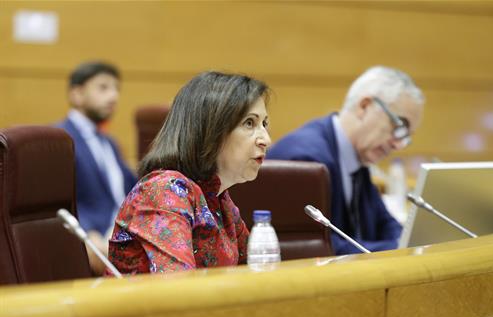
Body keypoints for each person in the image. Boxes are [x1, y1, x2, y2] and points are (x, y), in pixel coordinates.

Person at [107, 71, 271, 274]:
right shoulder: (164, 191)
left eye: (264, 124)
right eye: (249, 123)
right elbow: (181, 292)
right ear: (210, 129)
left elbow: (258, 275)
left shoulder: (218, 198)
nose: (265, 139)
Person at [267, 66, 425, 255]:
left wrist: (409, 244)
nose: (398, 145)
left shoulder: (358, 156)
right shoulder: (305, 161)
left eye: (406, 137)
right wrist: (401, 250)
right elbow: (317, 247)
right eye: (399, 128)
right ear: (364, 106)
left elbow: (384, 222)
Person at [57, 61, 137, 274]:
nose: (114, 97)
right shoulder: (59, 140)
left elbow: (133, 191)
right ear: (77, 94)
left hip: (124, 235)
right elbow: (58, 202)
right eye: (103, 88)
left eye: (116, 89)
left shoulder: (109, 142)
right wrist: (87, 233)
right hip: (93, 240)